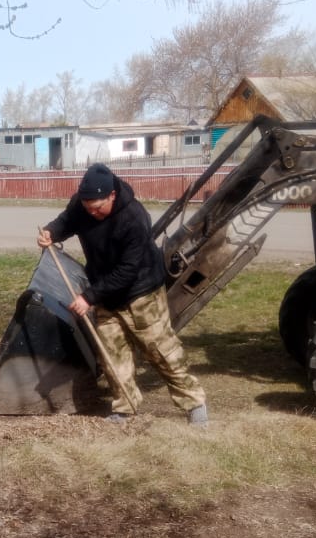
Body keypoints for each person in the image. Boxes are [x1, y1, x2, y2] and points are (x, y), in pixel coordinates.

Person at [37, 163, 208, 426]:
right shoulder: (82, 205)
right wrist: (51, 231)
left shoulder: (134, 218)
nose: (92, 213)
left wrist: (88, 297)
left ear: (112, 195)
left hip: (142, 293)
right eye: (87, 208)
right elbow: (67, 221)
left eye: (97, 208)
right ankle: (125, 408)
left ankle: (194, 403)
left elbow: (128, 270)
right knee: (113, 354)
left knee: (162, 352)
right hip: (105, 294)